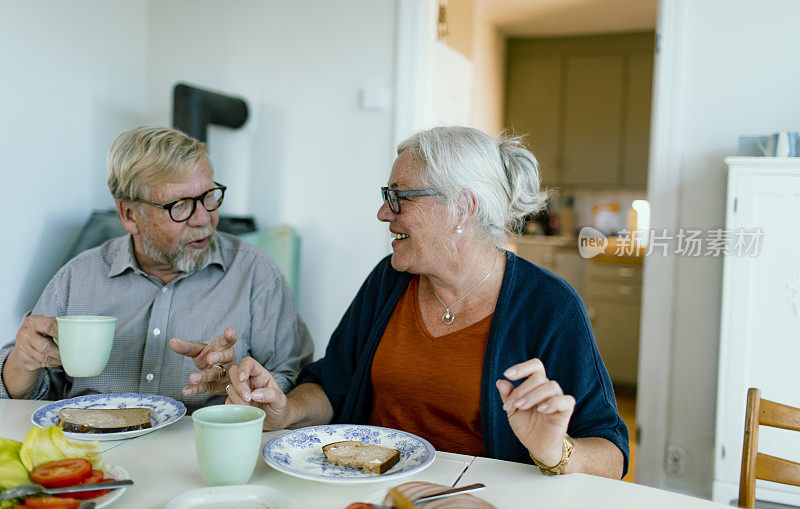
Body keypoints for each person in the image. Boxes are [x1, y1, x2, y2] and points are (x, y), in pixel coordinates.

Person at [226, 126, 628, 478]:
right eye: (387, 196)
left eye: (400, 197)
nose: (384, 212)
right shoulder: (390, 280)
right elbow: (334, 385)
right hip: (374, 490)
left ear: (463, 208)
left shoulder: (549, 305)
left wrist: (558, 451)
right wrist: (286, 412)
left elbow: (612, 452)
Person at [0, 126, 313, 411]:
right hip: (91, 451)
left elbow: (293, 383)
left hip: (196, 456)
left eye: (208, 197)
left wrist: (241, 383)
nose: (203, 218)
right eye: (179, 205)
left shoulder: (256, 274)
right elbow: (30, 396)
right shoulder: (79, 276)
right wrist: (21, 363)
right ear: (129, 215)